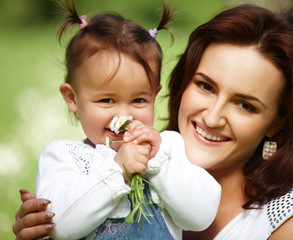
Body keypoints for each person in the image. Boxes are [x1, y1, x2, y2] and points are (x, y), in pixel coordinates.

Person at [13, 4, 293, 240]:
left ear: (277, 123)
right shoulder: (81, 159)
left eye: (245, 105)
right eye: (205, 86)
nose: (212, 117)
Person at [16, 0, 221, 239]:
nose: (124, 116)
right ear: (72, 98)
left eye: (138, 101)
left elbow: (201, 216)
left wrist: (156, 164)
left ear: (154, 96)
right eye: (106, 101)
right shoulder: (63, 156)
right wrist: (117, 170)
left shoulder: (169, 148)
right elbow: (58, 226)